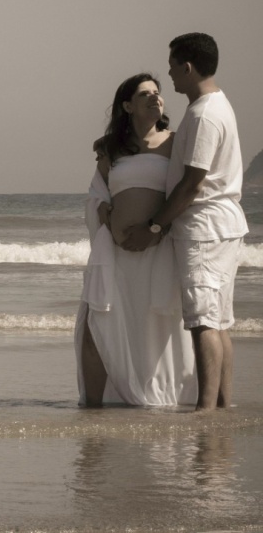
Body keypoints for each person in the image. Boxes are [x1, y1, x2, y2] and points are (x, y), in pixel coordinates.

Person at [121, 33, 248, 411]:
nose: (170, 76)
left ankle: (206, 411)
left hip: (205, 228)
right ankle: (222, 407)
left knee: (204, 322)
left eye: (174, 66)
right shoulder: (215, 106)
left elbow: (192, 183)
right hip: (221, 225)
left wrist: (155, 227)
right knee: (218, 321)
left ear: (188, 67)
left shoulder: (205, 113)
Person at [75, 73, 195, 407]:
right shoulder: (111, 148)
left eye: (158, 93)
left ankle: (157, 398)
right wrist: (106, 219)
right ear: (127, 105)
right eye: (145, 94)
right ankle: (93, 410)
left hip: (158, 251)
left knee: (153, 329)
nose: (155, 98)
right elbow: (96, 194)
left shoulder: (176, 143)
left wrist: (156, 230)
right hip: (115, 253)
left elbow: (183, 194)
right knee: (97, 326)